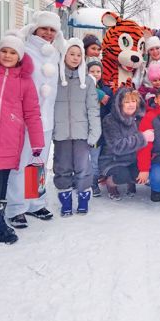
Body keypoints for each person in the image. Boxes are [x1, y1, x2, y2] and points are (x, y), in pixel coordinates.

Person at [0, 32, 44, 245]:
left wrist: (37, 141)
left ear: (19, 57)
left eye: (12, 52)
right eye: (4, 51)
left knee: (4, 178)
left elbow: (32, 112)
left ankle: (0, 216)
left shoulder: (25, 81)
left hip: (13, 138)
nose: (7, 55)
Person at [6, 11, 65, 229]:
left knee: (38, 163)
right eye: (44, 28)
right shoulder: (24, 50)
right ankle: (16, 207)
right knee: (21, 164)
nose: (48, 33)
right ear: (35, 28)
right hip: (24, 120)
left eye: (52, 30)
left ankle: (35, 203)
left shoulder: (57, 53)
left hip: (46, 120)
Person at [53, 38, 101, 216]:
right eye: (71, 54)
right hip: (61, 133)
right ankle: (65, 200)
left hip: (82, 134)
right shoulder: (55, 78)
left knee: (83, 167)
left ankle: (83, 198)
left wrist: (94, 133)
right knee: (62, 167)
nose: (75, 58)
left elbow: (93, 108)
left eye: (79, 55)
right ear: (64, 55)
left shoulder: (87, 81)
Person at [99, 88, 151, 200]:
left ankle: (130, 182)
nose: (131, 105)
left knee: (144, 171)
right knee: (123, 175)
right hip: (113, 160)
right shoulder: (110, 120)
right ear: (119, 104)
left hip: (132, 159)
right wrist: (142, 138)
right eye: (126, 102)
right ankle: (110, 183)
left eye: (133, 101)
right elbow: (117, 146)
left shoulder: (137, 118)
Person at [87, 58, 114, 197]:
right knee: (89, 157)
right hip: (86, 128)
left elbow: (110, 110)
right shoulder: (82, 88)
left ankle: (97, 179)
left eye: (98, 71)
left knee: (98, 156)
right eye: (92, 71)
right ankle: (88, 180)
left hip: (102, 129)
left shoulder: (107, 90)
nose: (95, 73)